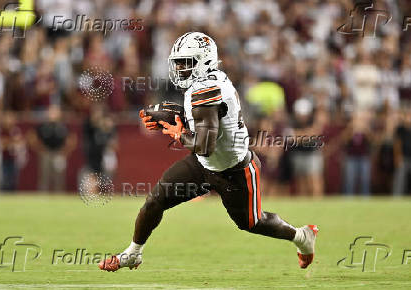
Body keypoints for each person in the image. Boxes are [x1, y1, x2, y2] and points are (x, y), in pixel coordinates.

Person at [99, 32, 318, 272]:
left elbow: (204, 144)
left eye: (187, 62)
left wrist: (176, 132)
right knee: (155, 201)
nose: (180, 68)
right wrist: (179, 117)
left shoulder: (206, 88)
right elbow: (204, 127)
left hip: (234, 170)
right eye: (178, 62)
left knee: (253, 222)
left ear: (204, 60)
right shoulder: (208, 81)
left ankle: (301, 237)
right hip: (203, 164)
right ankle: (133, 253)